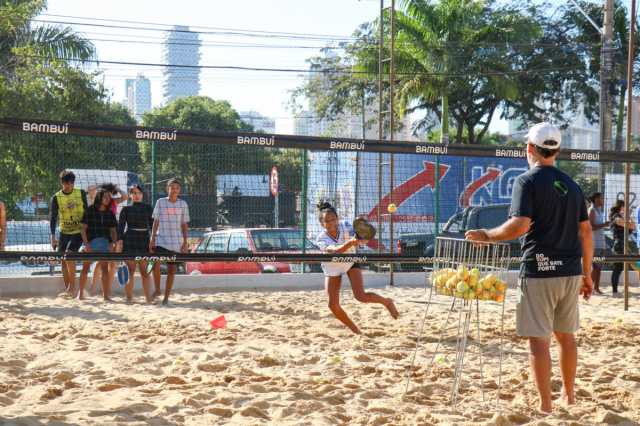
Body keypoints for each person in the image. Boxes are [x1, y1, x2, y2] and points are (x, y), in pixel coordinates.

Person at [465, 122, 592, 413]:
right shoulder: (572, 185)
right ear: (557, 150)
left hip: (540, 269)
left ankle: (546, 404)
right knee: (566, 336)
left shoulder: (527, 181)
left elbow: (520, 225)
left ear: (530, 149)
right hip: (570, 270)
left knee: (539, 342)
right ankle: (569, 396)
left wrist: (488, 236)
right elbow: (585, 232)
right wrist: (586, 273)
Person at [315, 201, 398, 335]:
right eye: (327, 221)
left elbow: (363, 238)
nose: (331, 223)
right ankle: (356, 331)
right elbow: (335, 251)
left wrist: (362, 237)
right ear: (321, 223)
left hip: (350, 261)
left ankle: (387, 302)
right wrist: (352, 242)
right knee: (332, 305)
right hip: (333, 267)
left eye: (333, 219)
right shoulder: (321, 238)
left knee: (361, 296)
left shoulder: (347, 225)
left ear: (338, 218)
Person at [149, 178, 190, 306]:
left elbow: (184, 224)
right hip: (161, 239)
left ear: (179, 190)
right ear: (168, 189)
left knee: (172, 270)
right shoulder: (160, 202)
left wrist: (185, 241)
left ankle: (166, 298)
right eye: (172, 187)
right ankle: (157, 290)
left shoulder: (183, 204)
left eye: (177, 188)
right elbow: (156, 221)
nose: (174, 190)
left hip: (176, 241)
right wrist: (152, 238)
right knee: (155, 263)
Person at [49, 170, 88, 295]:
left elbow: (87, 212)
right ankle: (68, 290)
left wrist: (85, 228)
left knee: (69, 255)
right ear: (62, 183)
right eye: (66, 183)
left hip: (78, 231)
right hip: (64, 231)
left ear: (73, 183)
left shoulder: (80, 193)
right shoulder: (56, 197)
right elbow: (53, 218)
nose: (68, 185)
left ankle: (72, 288)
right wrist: (52, 236)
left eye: (71, 183)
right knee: (63, 259)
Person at [77, 187, 117, 300]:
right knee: (85, 268)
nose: (108, 199)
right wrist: (86, 244)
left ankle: (106, 296)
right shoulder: (89, 210)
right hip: (91, 243)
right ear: (99, 197)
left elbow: (113, 231)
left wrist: (113, 244)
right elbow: (83, 229)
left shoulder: (110, 213)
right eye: (105, 197)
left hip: (105, 243)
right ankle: (80, 295)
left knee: (105, 269)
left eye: (109, 197)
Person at [116, 185, 153, 303]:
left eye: (139, 193)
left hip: (144, 240)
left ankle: (148, 299)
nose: (136, 195)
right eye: (134, 193)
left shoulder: (148, 208)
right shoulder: (126, 209)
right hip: (130, 239)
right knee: (130, 271)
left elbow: (153, 226)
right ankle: (129, 298)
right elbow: (120, 227)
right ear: (130, 195)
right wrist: (120, 241)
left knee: (145, 272)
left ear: (142, 195)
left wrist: (153, 240)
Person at [90, 183, 129, 294]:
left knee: (113, 264)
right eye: (106, 194)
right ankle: (93, 288)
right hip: (101, 233)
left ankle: (106, 290)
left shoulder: (114, 202)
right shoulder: (97, 203)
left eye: (110, 193)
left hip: (113, 232)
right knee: (100, 262)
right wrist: (100, 186)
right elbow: (90, 189)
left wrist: (116, 188)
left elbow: (125, 196)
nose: (108, 196)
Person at [609, 199, 635, 294]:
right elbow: (620, 222)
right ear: (621, 207)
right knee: (618, 267)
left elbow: (633, 226)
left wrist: (628, 216)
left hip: (625, 245)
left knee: (631, 265)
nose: (626, 208)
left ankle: (615, 290)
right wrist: (627, 220)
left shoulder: (623, 216)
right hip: (619, 245)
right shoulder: (615, 216)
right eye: (625, 206)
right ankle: (614, 290)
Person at [588, 193, 609, 294]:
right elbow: (591, 227)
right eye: (601, 198)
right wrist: (604, 224)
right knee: (596, 267)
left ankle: (596, 288)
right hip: (594, 243)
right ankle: (589, 287)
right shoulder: (591, 210)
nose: (602, 200)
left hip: (601, 243)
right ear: (596, 199)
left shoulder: (599, 211)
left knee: (599, 267)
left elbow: (599, 227)